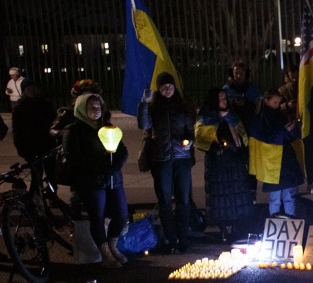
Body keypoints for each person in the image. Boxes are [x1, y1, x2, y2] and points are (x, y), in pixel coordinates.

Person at [62, 93, 128, 268]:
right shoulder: (73, 130)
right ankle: (105, 253)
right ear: (82, 109)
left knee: (121, 213)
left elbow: (122, 150)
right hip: (91, 182)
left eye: (98, 106)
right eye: (91, 106)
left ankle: (113, 246)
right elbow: (73, 157)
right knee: (97, 217)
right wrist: (99, 166)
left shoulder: (108, 128)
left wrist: (115, 166)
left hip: (113, 179)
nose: (95, 110)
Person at [137, 72, 196, 253]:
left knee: (183, 200)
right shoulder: (154, 108)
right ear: (159, 89)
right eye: (163, 87)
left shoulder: (182, 107)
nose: (167, 89)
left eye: (170, 86)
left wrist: (189, 142)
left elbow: (190, 130)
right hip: (161, 159)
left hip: (182, 159)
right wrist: (144, 103)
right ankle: (171, 239)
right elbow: (144, 125)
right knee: (164, 201)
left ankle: (183, 238)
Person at [195, 87, 253, 242]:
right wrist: (217, 147)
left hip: (234, 161)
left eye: (225, 98)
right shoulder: (206, 116)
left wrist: (238, 148)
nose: (224, 101)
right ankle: (222, 228)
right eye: (220, 98)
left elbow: (242, 134)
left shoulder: (232, 115)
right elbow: (201, 138)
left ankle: (236, 226)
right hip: (217, 161)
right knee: (220, 198)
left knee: (236, 195)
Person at [249, 89, 304, 218]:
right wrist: (284, 132)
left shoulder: (282, 115)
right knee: (275, 196)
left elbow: (289, 137)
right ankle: (275, 223)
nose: (277, 105)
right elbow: (265, 138)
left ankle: (290, 222)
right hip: (272, 162)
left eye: (279, 102)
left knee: (289, 195)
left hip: (285, 160)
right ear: (266, 101)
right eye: (275, 102)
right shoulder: (260, 119)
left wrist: (292, 130)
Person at [279, 64, 313, 195]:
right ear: (286, 76)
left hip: (307, 126)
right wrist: (287, 105)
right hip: (291, 129)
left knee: (309, 156)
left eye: (296, 75)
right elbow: (278, 108)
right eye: (291, 75)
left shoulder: (307, 89)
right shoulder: (282, 91)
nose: (294, 78)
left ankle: (310, 181)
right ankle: (296, 182)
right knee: (294, 157)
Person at [11, 80, 57, 163]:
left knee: (51, 171)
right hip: (30, 146)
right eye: (28, 89)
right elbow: (17, 129)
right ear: (24, 91)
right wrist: (20, 148)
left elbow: (54, 121)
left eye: (33, 88)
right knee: (36, 173)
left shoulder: (45, 104)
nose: (31, 91)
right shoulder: (19, 108)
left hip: (47, 143)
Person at [223, 61, 261, 127]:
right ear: (232, 74)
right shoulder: (226, 89)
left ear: (246, 74)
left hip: (249, 120)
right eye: (236, 73)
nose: (238, 76)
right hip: (231, 122)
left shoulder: (252, 89)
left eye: (242, 74)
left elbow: (258, 106)